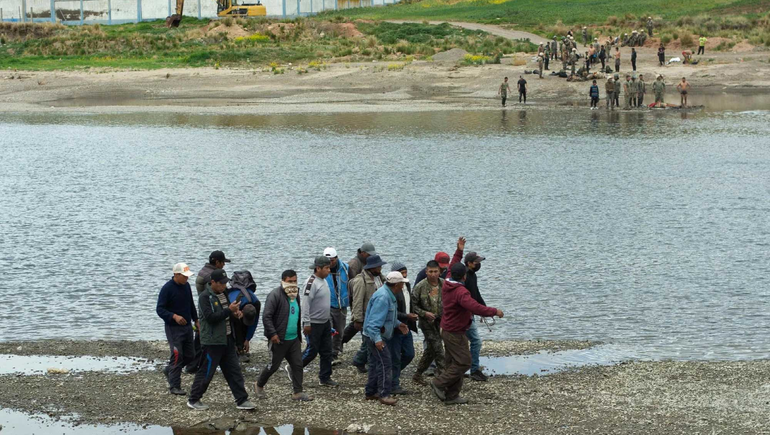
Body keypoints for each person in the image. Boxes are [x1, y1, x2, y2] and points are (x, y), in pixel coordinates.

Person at [430, 263, 503, 405]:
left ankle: (452, 395)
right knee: (464, 362)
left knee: (453, 362)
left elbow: (452, 267)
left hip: (447, 329)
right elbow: (474, 307)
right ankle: (438, 382)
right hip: (454, 332)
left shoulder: (446, 284)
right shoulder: (460, 292)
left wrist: (459, 251)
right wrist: (494, 311)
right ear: (464, 276)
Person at [188, 269, 255, 411]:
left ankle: (242, 400)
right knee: (206, 372)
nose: (224, 286)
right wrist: (229, 311)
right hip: (212, 342)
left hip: (227, 339)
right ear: (213, 282)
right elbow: (210, 318)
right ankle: (194, 399)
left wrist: (235, 314)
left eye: (225, 283)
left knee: (234, 371)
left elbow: (227, 314)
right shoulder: (205, 297)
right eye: (221, 284)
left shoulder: (224, 294)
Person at [255, 270, 312, 401]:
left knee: (297, 365)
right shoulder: (275, 295)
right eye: (289, 281)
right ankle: (259, 385)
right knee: (273, 366)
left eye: (294, 281)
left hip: (293, 339)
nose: (292, 284)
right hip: (279, 339)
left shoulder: (296, 295)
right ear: (283, 281)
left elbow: (297, 314)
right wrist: (272, 334)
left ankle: (297, 392)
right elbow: (266, 316)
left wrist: (300, 332)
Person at [363, 271, 410, 406]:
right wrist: (378, 340)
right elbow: (373, 323)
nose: (403, 286)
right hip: (375, 336)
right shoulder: (384, 298)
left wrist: (398, 324)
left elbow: (387, 318)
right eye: (402, 284)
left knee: (375, 364)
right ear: (396, 285)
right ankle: (384, 394)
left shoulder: (387, 294)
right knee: (385, 363)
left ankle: (371, 392)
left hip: (372, 335)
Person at [446, 237, 488, 382]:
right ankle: (473, 369)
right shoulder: (463, 278)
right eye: (477, 262)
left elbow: (476, 293)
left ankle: (458, 368)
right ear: (469, 264)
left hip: (468, 314)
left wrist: (483, 308)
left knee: (461, 343)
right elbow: (467, 300)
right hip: (464, 315)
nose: (479, 264)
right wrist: (484, 310)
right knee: (475, 341)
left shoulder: (472, 275)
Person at [157, 263, 199, 396]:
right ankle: (174, 386)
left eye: (187, 276)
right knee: (177, 355)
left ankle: (169, 369)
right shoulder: (167, 288)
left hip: (187, 327)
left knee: (190, 355)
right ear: (176, 275)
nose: (187, 279)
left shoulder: (186, 286)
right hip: (173, 328)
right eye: (184, 276)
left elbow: (191, 304)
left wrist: (196, 320)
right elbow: (160, 309)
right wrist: (173, 316)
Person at [191, 250, 231, 373]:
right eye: (222, 262)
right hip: (210, 307)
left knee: (199, 339)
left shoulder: (203, 270)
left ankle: (193, 365)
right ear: (217, 262)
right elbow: (219, 293)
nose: (224, 265)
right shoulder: (212, 276)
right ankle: (194, 366)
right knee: (203, 340)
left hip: (203, 308)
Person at [301, 256, 338, 387]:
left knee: (327, 351)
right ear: (318, 268)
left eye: (329, 267)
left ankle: (325, 377)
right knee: (312, 351)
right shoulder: (311, 283)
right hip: (313, 323)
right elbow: (305, 304)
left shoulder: (324, 280)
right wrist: (306, 322)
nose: (329, 270)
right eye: (326, 268)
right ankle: (295, 367)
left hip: (324, 322)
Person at [349, 254, 387, 372]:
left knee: (368, 342)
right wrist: (358, 319)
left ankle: (359, 360)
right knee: (369, 342)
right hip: (367, 316)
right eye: (377, 267)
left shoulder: (380, 278)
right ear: (371, 267)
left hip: (378, 316)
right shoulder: (360, 280)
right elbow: (357, 301)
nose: (380, 269)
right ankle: (364, 364)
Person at [411, 260, 445, 386]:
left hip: (440, 321)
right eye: (430, 271)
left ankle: (417, 374)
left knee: (431, 351)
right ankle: (443, 380)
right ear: (426, 272)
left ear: (439, 272)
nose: (433, 274)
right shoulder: (420, 287)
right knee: (439, 350)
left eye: (435, 271)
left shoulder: (444, 285)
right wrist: (424, 313)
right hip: (426, 323)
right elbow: (413, 305)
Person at [387, 262, 417, 395]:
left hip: (407, 326)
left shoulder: (407, 285)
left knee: (409, 354)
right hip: (396, 326)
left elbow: (409, 304)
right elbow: (392, 311)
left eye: (405, 272)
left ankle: (392, 375)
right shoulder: (393, 290)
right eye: (401, 272)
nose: (405, 275)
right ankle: (394, 384)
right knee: (395, 357)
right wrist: (406, 316)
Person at [323, 247, 350, 362]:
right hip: (327, 305)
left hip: (341, 306)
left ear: (336, 258)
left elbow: (352, 284)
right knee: (329, 330)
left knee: (339, 331)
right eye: (328, 260)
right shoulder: (322, 270)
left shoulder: (346, 268)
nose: (330, 263)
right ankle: (328, 355)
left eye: (332, 260)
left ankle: (335, 353)